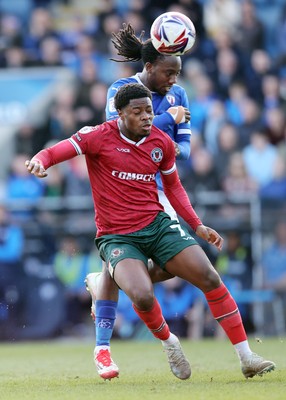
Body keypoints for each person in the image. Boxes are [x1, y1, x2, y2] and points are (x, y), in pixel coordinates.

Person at [25, 83, 275, 381]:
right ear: (119, 114)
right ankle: (169, 342)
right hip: (117, 235)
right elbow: (56, 151)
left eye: (149, 111)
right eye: (138, 112)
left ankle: (247, 357)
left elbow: (174, 187)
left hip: (157, 226)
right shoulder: (97, 136)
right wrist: (40, 161)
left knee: (208, 276)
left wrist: (197, 225)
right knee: (142, 295)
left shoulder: (161, 142)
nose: (147, 117)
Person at [86, 20, 192, 367]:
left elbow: (184, 151)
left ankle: (105, 278)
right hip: (119, 186)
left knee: (170, 266)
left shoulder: (179, 95)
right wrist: (167, 120)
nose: (173, 79)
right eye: (169, 71)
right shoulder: (121, 88)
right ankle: (103, 349)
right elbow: (113, 132)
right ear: (151, 66)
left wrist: (168, 126)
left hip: (158, 190)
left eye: (176, 71)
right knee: (120, 262)